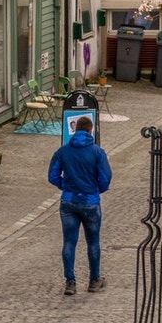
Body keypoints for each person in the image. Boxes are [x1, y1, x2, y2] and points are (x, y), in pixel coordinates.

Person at [48, 115, 113, 295]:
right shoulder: (97, 152)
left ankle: (70, 282)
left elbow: (52, 176)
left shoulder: (63, 151)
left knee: (69, 242)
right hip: (90, 202)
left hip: (68, 202)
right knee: (93, 242)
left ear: (75, 130)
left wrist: (65, 186)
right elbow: (105, 178)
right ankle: (94, 280)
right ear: (91, 131)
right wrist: (96, 190)